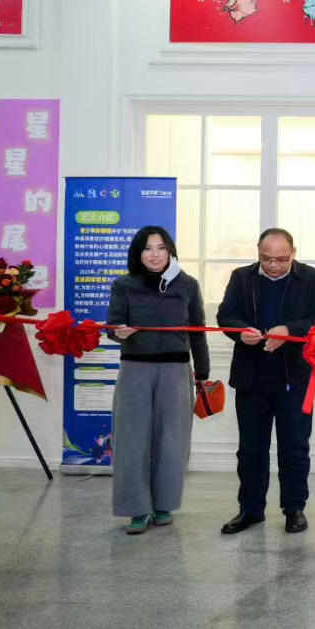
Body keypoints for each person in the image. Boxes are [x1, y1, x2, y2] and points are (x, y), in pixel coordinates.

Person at [217, 228, 315, 535]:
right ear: (258, 252)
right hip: (251, 377)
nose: (273, 265)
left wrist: (289, 331)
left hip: (294, 378)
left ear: (293, 253)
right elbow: (226, 316)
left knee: (294, 447)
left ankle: (294, 509)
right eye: (266, 258)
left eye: (281, 259)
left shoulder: (312, 278)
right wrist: (240, 331)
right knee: (250, 449)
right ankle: (250, 509)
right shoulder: (242, 278)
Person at [106, 227, 210, 534]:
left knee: (172, 441)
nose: (155, 254)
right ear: (138, 253)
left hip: (176, 370)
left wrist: (202, 373)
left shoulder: (187, 285)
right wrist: (118, 332)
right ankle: (137, 509)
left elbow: (198, 332)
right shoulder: (124, 285)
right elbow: (112, 325)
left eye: (161, 248)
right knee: (131, 440)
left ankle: (164, 505)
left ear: (170, 251)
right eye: (148, 248)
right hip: (135, 369)